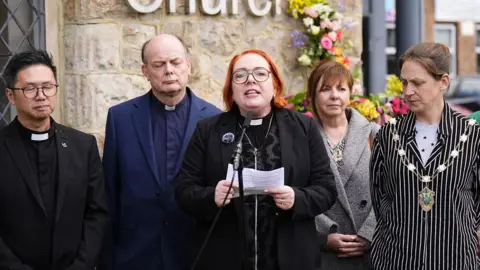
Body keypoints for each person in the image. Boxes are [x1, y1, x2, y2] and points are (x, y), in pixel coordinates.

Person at [173, 49, 337, 270]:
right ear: (231, 88)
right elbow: (183, 190)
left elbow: (326, 189)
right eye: (240, 75)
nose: (250, 80)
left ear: (275, 85)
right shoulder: (208, 130)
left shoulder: (303, 128)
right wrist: (213, 196)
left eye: (260, 73)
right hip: (226, 258)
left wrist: (296, 198)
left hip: (291, 258)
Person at [100, 34, 221, 270]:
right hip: (134, 254)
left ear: (188, 65)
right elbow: (109, 193)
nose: (168, 70)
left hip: (194, 252)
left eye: (175, 62)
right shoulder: (120, 118)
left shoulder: (214, 119)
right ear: (145, 71)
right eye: (158, 64)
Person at [370, 42, 480, 269]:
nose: (408, 91)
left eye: (418, 83)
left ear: (444, 82)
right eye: (404, 82)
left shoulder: (472, 135)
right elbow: (379, 197)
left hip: (455, 260)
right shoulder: (388, 135)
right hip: (396, 260)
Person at [0, 50, 108, 270]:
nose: (41, 95)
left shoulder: (83, 145)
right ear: (11, 96)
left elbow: (97, 213)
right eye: (30, 88)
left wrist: (82, 265)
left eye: (48, 87)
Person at [307, 60, 377, 270]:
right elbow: (296, 193)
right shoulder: (301, 138)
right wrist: (324, 235)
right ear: (313, 95)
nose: (334, 96)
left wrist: (368, 234)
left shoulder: (374, 134)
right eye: (325, 89)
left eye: (341, 88)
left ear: (350, 93)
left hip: (370, 254)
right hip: (323, 255)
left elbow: (393, 189)